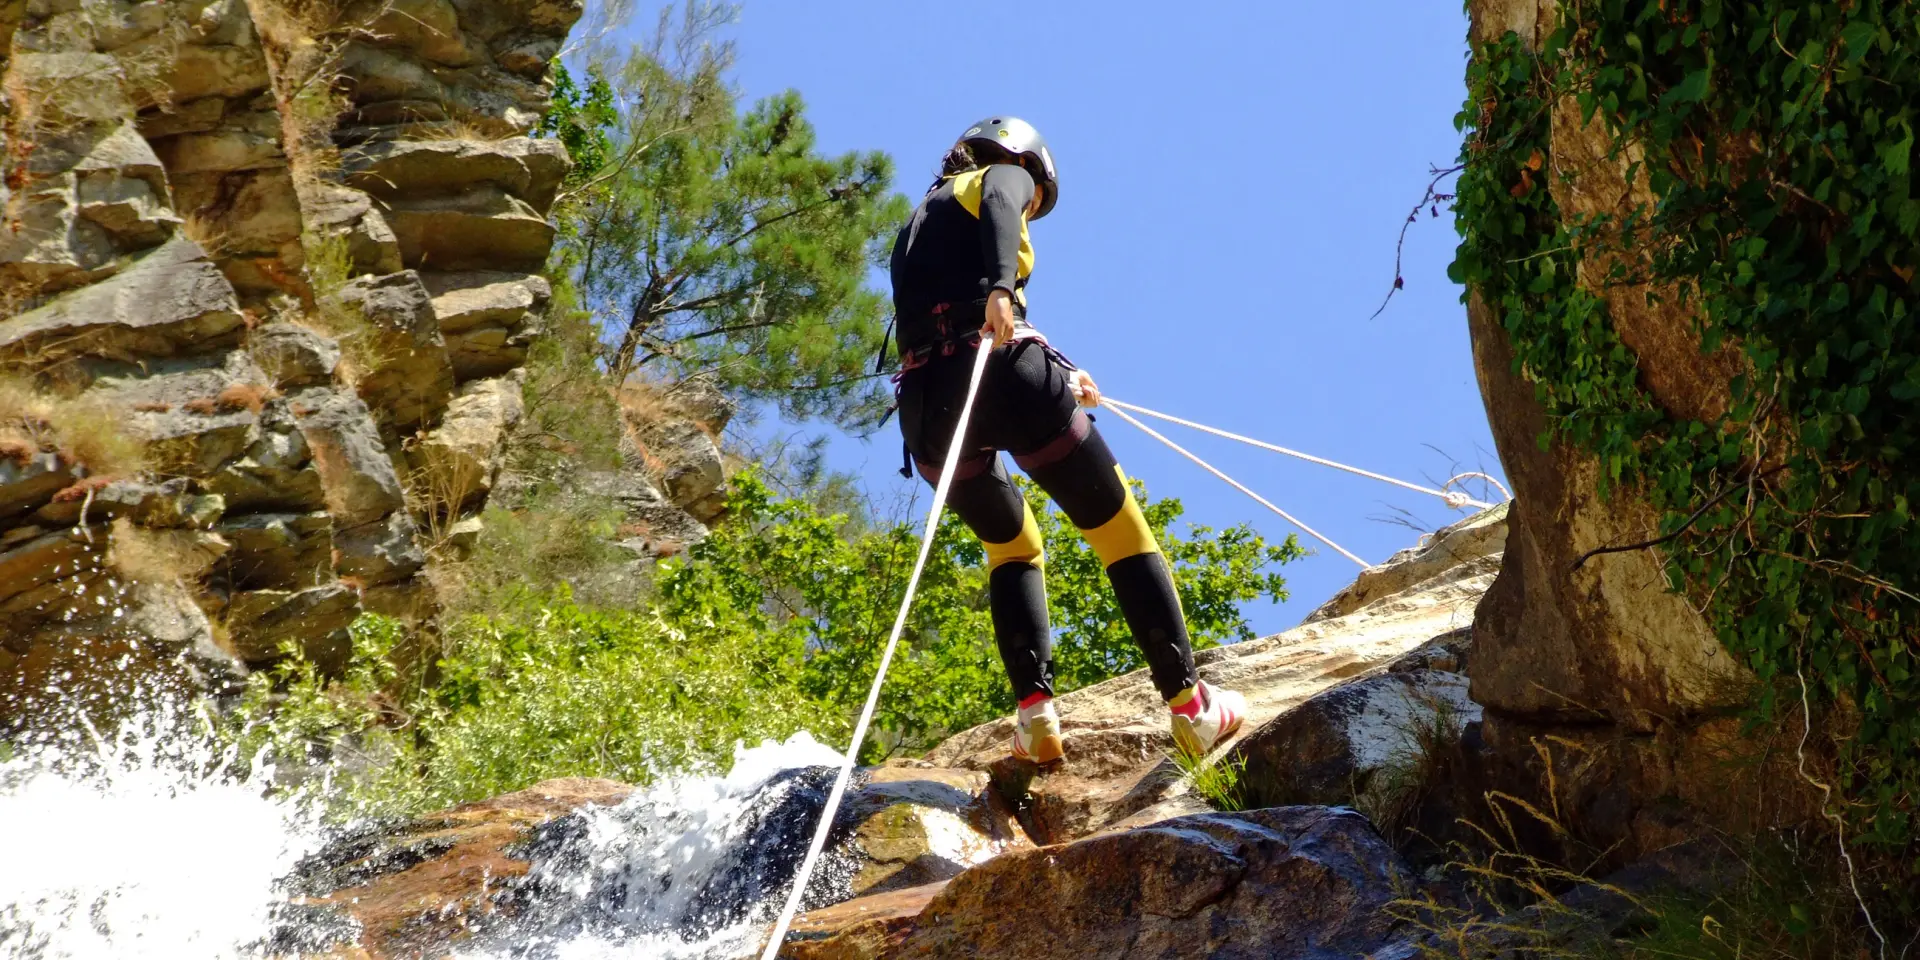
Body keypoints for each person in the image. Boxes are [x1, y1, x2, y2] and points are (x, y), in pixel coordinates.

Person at [887, 116, 1246, 765]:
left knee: (1013, 545)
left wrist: (1061, 365)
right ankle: (1192, 709)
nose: (1027, 200)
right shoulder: (997, 177)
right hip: (1001, 371)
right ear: (1018, 159)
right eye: (1033, 194)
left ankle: (1036, 717)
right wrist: (1003, 286)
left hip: (927, 416)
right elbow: (1000, 210)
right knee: (1118, 527)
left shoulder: (912, 229)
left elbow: (945, 313)